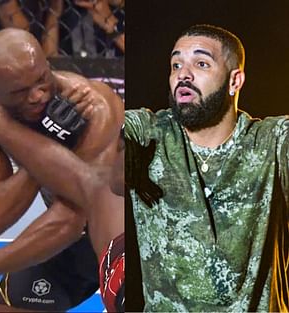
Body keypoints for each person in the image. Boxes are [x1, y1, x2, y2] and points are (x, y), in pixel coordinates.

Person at [0, 28, 123, 312]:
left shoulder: (93, 106)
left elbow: (72, 219)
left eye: (42, 80)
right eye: (21, 92)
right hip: (66, 244)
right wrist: (44, 144)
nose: (38, 96)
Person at [125, 24, 288, 311]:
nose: (183, 76)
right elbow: (111, 127)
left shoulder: (271, 141)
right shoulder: (150, 134)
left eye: (201, 63)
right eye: (176, 65)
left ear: (235, 81)